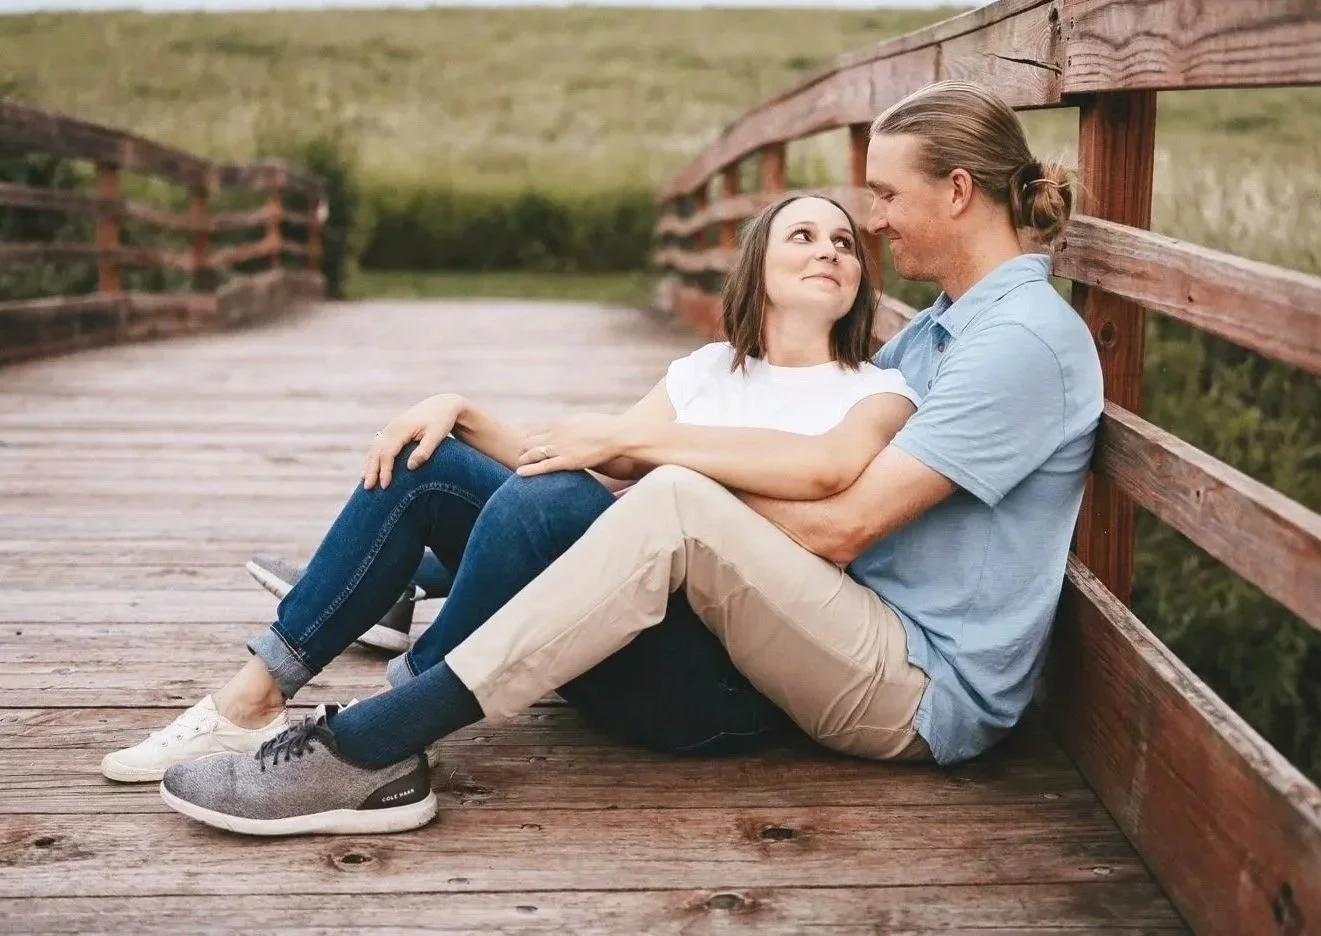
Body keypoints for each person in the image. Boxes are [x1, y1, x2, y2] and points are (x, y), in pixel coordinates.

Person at [157, 79, 1105, 839]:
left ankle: (371, 745)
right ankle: (340, 649)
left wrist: (651, 467)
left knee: (668, 502)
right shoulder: (941, 332)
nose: (878, 223)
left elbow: (843, 520)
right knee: (540, 485)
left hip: (922, 686)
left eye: (887, 199)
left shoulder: (1019, 341)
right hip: (846, 626)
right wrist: (608, 463)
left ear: (956, 191)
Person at [102, 191, 916, 790]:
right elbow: (579, 456)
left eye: (844, 241)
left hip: (713, 695)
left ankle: (396, 710)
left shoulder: (876, 390)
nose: (829, 250)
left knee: (553, 503)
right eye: (802, 235)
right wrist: (457, 412)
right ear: (758, 267)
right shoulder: (707, 372)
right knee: (433, 462)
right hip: (600, 629)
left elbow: (826, 474)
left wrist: (639, 449)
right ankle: (250, 698)